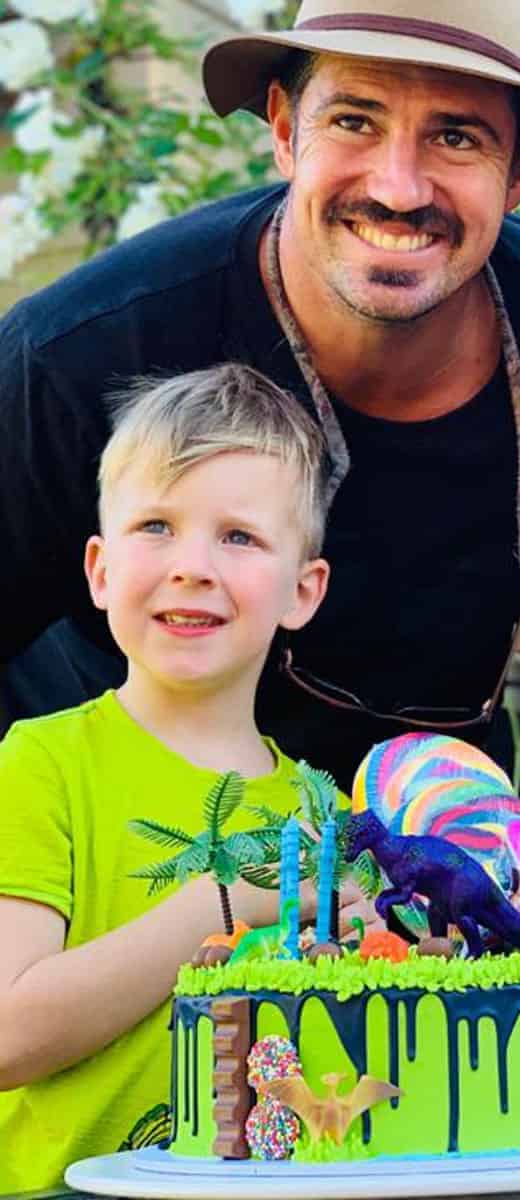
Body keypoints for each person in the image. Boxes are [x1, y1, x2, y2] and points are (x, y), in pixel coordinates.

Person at [0, 0, 520, 788]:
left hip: (424, 852)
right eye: (355, 121)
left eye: (456, 136)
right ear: (285, 131)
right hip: (122, 837)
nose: (397, 186)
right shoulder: (83, 354)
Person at [0, 364, 385, 1191]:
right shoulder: (42, 762)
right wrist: (222, 903)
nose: (192, 566)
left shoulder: (321, 812)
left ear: (303, 590)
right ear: (100, 571)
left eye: (239, 537)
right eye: (156, 527)